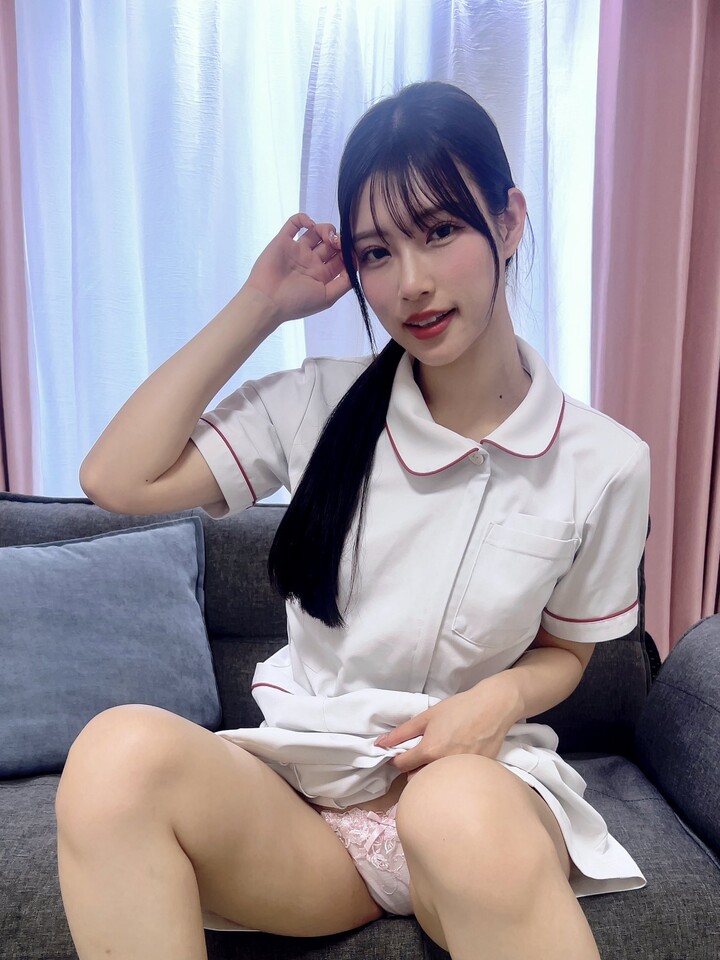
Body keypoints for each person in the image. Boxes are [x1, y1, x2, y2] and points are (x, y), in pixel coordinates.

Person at [56, 81, 650, 960]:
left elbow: (567, 651)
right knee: (114, 754)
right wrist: (262, 303)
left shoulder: (606, 461)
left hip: (475, 796)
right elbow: (115, 478)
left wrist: (493, 702)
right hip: (308, 810)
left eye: (439, 232)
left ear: (509, 221)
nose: (410, 283)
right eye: (378, 251)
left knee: (454, 806)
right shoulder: (316, 404)